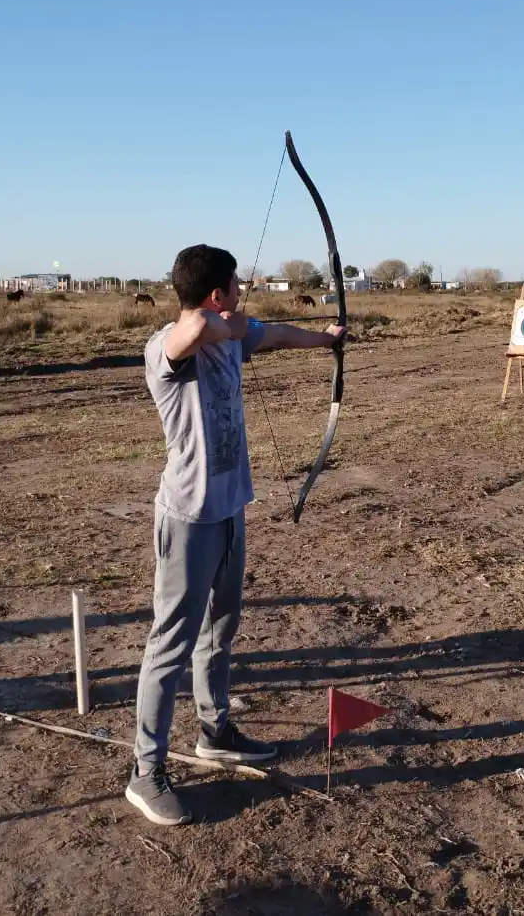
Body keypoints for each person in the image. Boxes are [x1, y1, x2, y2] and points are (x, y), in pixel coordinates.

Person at [126, 244, 347, 825]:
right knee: (170, 641)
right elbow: (191, 328)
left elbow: (273, 334)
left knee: (221, 628)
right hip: (188, 517)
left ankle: (214, 730)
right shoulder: (168, 349)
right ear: (216, 295)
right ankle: (145, 772)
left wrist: (326, 339)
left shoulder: (232, 336)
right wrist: (224, 321)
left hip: (229, 510)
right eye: (235, 289)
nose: (243, 298)